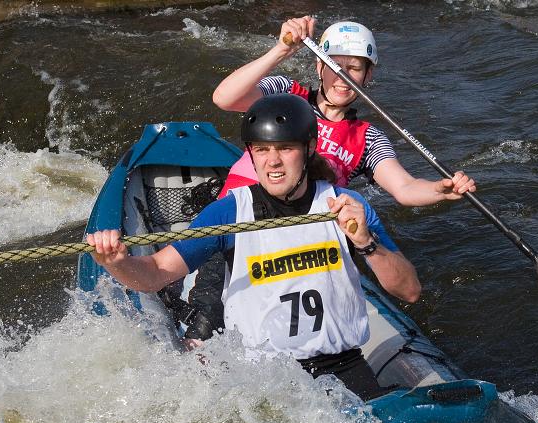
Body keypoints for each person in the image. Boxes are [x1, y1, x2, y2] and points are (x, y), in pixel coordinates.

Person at [87, 94, 421, 401]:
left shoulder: (345, 205)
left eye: (284, 148)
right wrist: (117, 262)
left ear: (308, 148)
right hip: (267, 379)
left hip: (344, 368)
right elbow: (157, 273)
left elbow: (409, 290)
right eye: (261, 150)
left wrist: (366, 243)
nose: (272, 162)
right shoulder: (229, 211)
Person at [213, 17, 476, 204]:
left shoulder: (368, 139)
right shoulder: (285, 92)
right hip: (239, 212)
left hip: (301, 231)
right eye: (334, 66)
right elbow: (225, 98)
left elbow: (404, 188)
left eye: (354, 69)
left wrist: (440, 190)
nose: (342, 78)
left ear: (367, 75)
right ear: (319, 67)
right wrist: (281, 50)